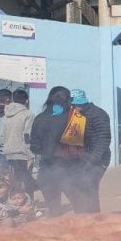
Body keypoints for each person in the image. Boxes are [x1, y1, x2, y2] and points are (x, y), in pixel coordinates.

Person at [65, 89, 111, 213]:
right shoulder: (77, 115)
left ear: (80, 103)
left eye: (73, 105)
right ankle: (83, 215)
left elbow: (104, 140)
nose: (72, 108)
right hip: (83, 158)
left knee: (90, 186)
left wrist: (91, 162)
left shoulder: (98, 114)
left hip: (99, 158)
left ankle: (94, 217)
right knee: (77, 186)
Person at [30, 86, 72, 217]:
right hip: (69, 168)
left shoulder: (39, 118)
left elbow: (34, 146)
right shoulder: (72, 118)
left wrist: (47, 150)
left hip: (46, 169)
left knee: (54, 209)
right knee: (82, 206)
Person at [0, 88, 37, 196]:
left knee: (16, 179)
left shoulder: (6, 115)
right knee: (27, 180)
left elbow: (2, 135)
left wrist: (5, 147)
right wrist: (30, 155)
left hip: (8, 153)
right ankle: (30, 204)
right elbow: (27, 135)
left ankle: (15, 203)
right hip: (22, 153)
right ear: (26, 101)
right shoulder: (28, 114)